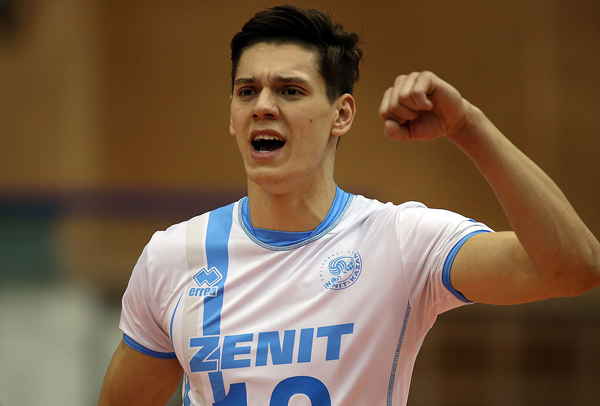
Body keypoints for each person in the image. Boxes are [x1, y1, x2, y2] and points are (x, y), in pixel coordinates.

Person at [97, 5, 600, 406]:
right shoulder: (172, 256)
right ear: (232, 116)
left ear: (342, 114)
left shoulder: (401, 241)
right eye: (247, 91)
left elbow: (574, 269)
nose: (263, 105)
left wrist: (469, 128)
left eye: (290, 90)